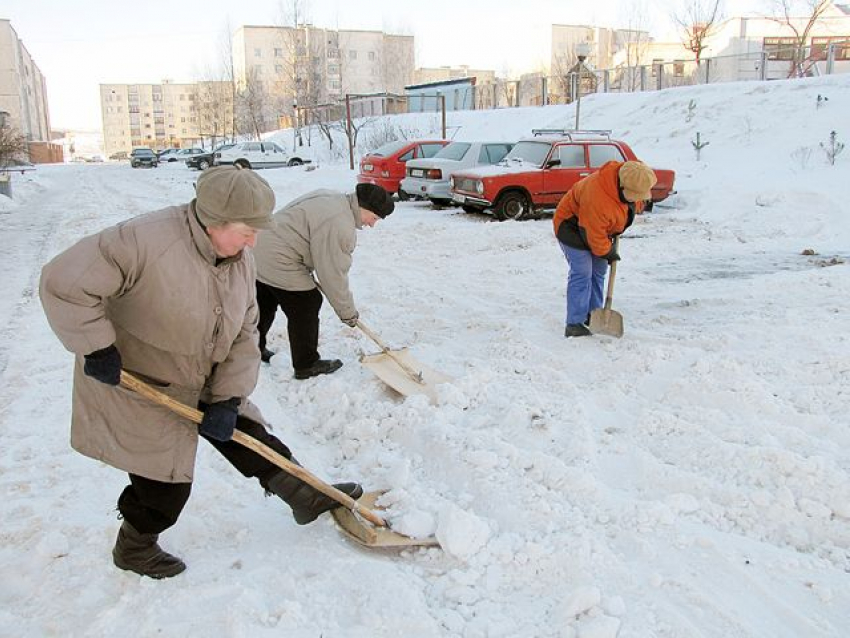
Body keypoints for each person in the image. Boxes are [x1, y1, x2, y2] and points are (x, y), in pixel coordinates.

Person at [39, 166, 362, 580]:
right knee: (166, 484)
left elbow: (246, 333)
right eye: (247, 230)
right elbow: (64, 281)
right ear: (214, 221)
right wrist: (96, 346)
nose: (254, 241)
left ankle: (303, 495)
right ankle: (134, 547)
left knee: (245, 432)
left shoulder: (240, 259)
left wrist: (228, 397)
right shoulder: (144, 240)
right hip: (138, 380)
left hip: (201, 370)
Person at [253, 183, 394, 378]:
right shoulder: (340, 224)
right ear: (365, 207)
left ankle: (251, 349)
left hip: (259, 246)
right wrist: (347, 313)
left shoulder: (333, 197)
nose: (372, 224)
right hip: (280, 258)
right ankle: (306, 364)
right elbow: (333, 275)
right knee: (307, 302)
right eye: (375, 217)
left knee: (266, 299)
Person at [552, 160, 657, 337]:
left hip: (597, 230)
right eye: (636, 196)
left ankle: (593, 314)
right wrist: (607, 252)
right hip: (571, 227)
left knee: (599, 270)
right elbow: (592, 233)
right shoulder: (597, 196)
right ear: (623, 187)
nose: (640, 199)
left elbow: (630, 204)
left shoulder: (633, 178)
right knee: (583, 271)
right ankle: (574, 323)